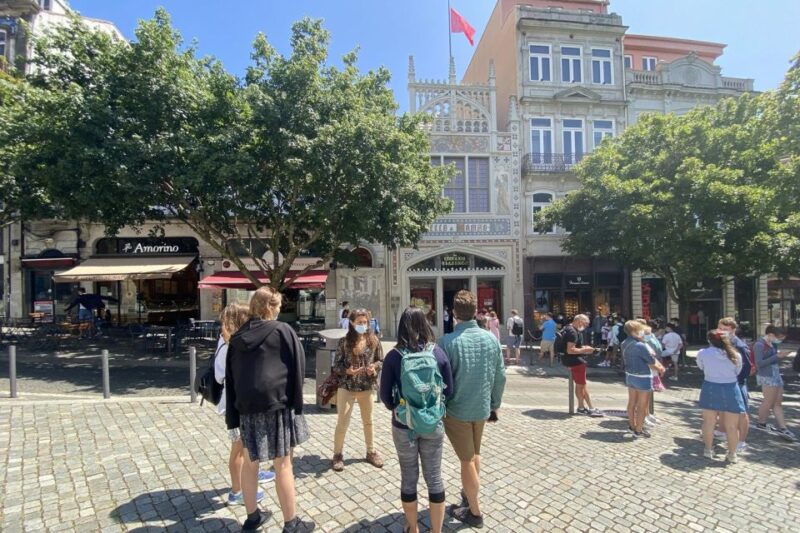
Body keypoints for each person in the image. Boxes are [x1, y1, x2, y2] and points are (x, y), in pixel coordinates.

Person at [225, 287, 314, 532]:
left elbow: (231, 379)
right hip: (276, 404)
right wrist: (297, 404)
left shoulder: (237, 338)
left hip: (246, 407)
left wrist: (233, 416)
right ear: (271, 307)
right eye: (278, 307)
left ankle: (252, 517)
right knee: (283, 464)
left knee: (250, 463)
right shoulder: (283, 331)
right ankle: (291, 522)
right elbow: (298, 367)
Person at [380, 307, 454, 533]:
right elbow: (449, 390)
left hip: (404, 425)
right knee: (435, 477)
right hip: (432, 423)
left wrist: (399, 408)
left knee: (408, 477)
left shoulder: (394, 356)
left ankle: (412, 528)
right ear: (425, 324)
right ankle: (436, 530)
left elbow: (385, 396)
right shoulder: (437, 353)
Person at [438, 290, 505, 529]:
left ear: (454, 313)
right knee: (475, 453)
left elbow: (440, 381)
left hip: (457, 410)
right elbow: (500, 376)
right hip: (482, 407)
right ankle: (469, 495)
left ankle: (474, 512)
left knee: (466, 459)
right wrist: (495, 404)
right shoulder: (491, 339)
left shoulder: (446, 342)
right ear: (476, 311)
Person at [214, 303, 275, 507]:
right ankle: (236, 491)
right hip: (235, 404)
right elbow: (222, 375)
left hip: (240, 401)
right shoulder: (230, 344)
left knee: (247, 444)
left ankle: (252, 473)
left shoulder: (231, 341)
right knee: (238, 448)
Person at [331, 308, 385, 471]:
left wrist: (374, 368)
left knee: (368, 421)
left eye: (365, 322)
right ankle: (337, 454)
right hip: (346, 387)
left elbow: (380, 360)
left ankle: (371, 451)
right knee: (342, 422)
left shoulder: (373, 340)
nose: (363, 325)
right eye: (359, 322)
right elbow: (336, 365)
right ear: (352, 323)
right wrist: (347, 371)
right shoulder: (344, 342)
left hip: (366, 387)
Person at [697, 330, 745, 463]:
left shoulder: (703, 353)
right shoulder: (736, 355)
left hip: (710, 386)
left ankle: (708, 449)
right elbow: (738, 371)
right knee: (732, 426)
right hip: (731, 388)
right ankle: (732, 454)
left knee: (709, 422)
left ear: (709, 340)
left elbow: (701, 367)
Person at [621, 320, 664, 438]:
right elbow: (651, 362)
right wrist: (660, 369)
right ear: (634, 331)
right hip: (643, 377)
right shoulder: (640, 345)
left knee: (631, 403)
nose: (642, 332)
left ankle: (632, 426)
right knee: (642, 405)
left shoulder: (624, 343)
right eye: (640, 329)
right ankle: (638, 430)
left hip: (630, 375)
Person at [753, 325, 796, 441]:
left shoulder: (773, 343)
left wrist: (779, 355)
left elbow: (773, 358)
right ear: (771, 335)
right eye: (779, 338)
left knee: (777, 402)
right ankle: (761, 422)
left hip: (775, 373)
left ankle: (783, 427)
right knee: (768, 401)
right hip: (767, 375)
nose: (780, 340)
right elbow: (759, 364)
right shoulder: (759, 344)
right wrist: (777, 356)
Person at [717, 317, 752, 452]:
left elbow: (746, 367)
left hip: (738, 383)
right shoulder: (721, 343)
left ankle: (741, 442)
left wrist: (737, 380)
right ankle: (722, 432)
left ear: (733, 330)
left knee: (741, 413)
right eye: (720, 328)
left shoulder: (740, 346)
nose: (721, 331)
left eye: (725, 329)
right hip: (724, 382)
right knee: (724, 409)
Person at [563, 314, 603, 417]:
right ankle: (589, 408)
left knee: (580, 385)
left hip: (570, 360)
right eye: (586, 324)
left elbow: (574, 347)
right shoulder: (573, 332)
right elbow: (570, 350)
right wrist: (585, 350)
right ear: (579, 321)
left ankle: (582, 407)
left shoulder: (568, 328)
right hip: (576, 361)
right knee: (582, 386)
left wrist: (585, 348)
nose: (586, 326)